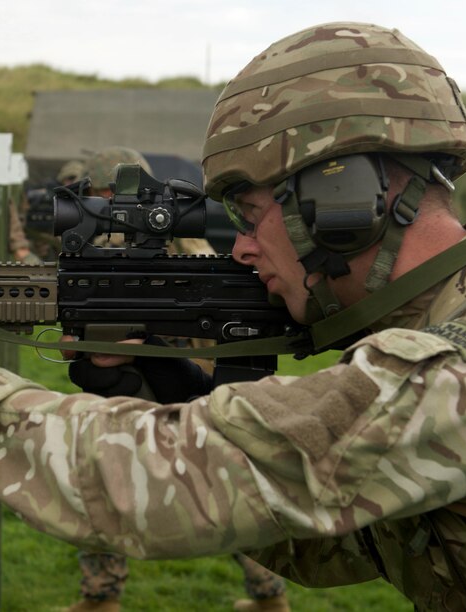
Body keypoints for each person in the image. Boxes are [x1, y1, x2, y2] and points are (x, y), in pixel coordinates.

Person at [0, 23, 466, 611]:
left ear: (342, 201)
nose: (245, 249)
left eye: (251, 216)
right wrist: (176, 387)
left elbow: (155, 486)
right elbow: (336, 536)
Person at [67, 146, 291, 612]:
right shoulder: (94, 244)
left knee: (225, 479)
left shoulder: (178, 241)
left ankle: (270, 595)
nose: (99, 205)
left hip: (191, 378)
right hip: (132, 377)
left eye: (103, 195)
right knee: (102, 466)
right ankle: (101, 595)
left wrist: (149, 334)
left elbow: (213, 304)